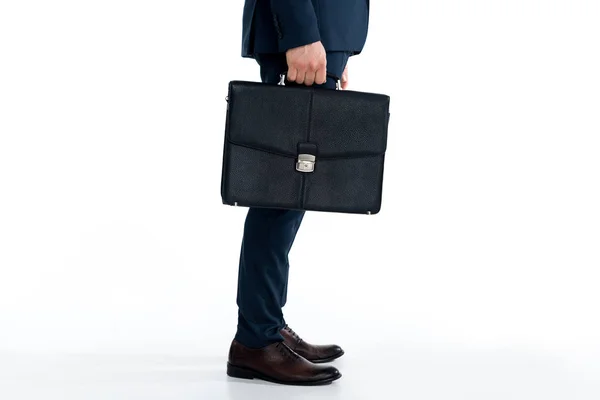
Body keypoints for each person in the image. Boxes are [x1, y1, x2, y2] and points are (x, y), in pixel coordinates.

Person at [227, 0, 370, 386]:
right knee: (279, 196)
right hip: (305, 29)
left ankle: (267, 324)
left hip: (322, 30)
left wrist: (337, 43)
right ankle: (256, 339)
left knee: (290, 196)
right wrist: (304, 35)